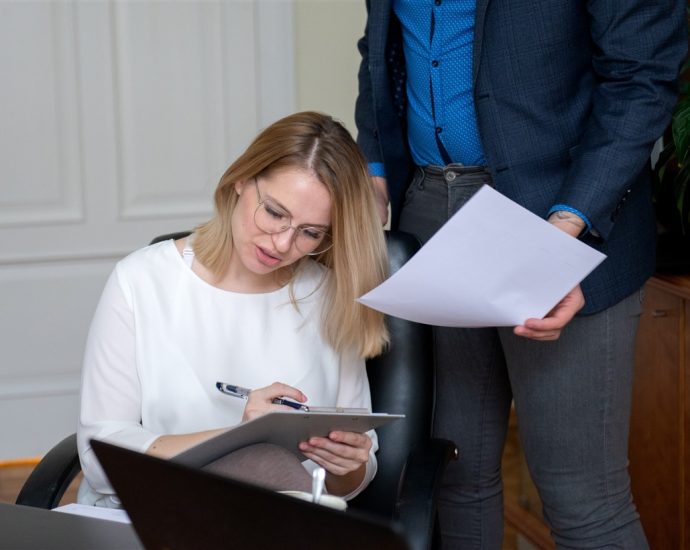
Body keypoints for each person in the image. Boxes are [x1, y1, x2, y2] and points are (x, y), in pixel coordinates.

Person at [355, 1, 687, 548]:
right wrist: (373, 173)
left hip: (566, 217)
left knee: (585, 502)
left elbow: (642, 81)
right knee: (453, 477)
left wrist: (564, 233)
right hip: (427, 219)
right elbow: (381, 51)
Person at [77, 111, 389, 507]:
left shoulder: (329, 295)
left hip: (280, 525)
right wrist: (240, 438)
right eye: (275, 212)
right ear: (242, 179)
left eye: (310, 232)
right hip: (154, 514)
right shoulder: (140, 281)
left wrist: (349, 466)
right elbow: (99, 457)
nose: (281, 244)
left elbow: (353, 478)